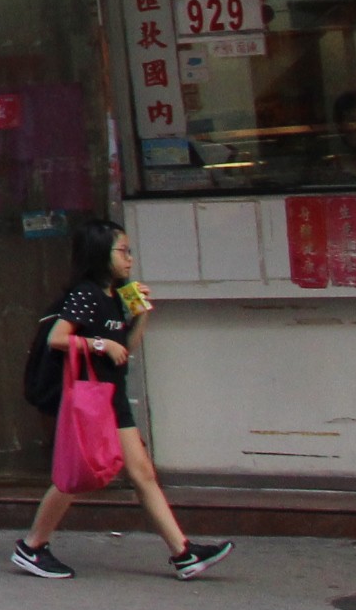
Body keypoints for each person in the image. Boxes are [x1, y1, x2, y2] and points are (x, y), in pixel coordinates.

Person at [13, 216, 231, 581]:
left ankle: (183, 553)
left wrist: (140, 317)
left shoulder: (116, 295)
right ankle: (32, 546)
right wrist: (101, 343)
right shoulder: (86, 294)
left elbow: (125, 349)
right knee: (77, 476)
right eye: (123, 251)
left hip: (110, 395)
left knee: (142, 473)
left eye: (130, 251)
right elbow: (57, 337)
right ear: (101, 253)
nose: (129, 258)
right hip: (90, 398)